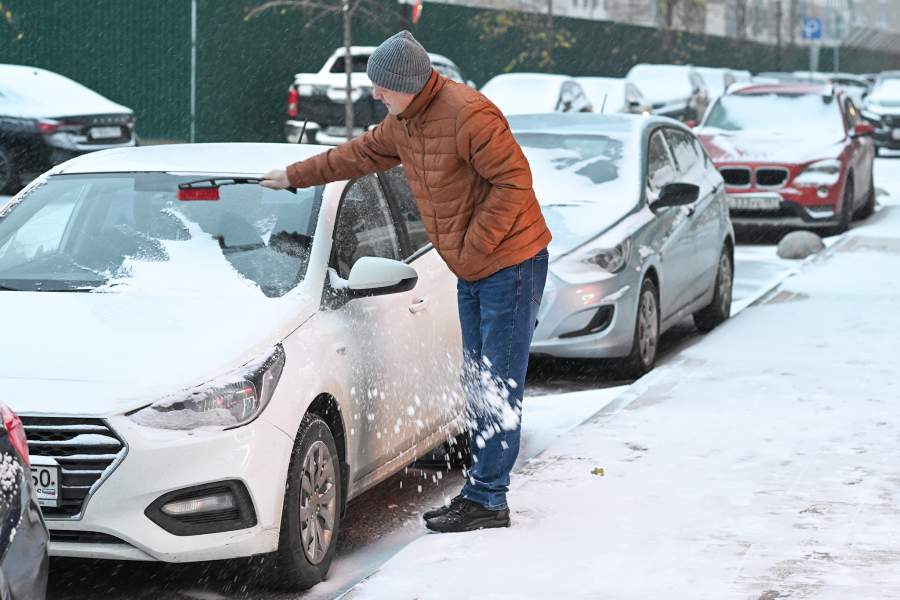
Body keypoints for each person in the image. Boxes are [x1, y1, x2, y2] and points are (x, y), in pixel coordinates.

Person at [261, 30, 550, 533]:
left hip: (510, 264)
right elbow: (355, 155)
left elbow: (514, 182)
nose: (375, 95)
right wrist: (293, 175)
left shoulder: (469, 114)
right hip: (475, 266)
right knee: (477, 380)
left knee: (496, 383)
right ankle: (482, 490)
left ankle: (488, 499)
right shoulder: (405, 122)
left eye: (381, 86)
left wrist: (474, 248)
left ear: (408, 83)